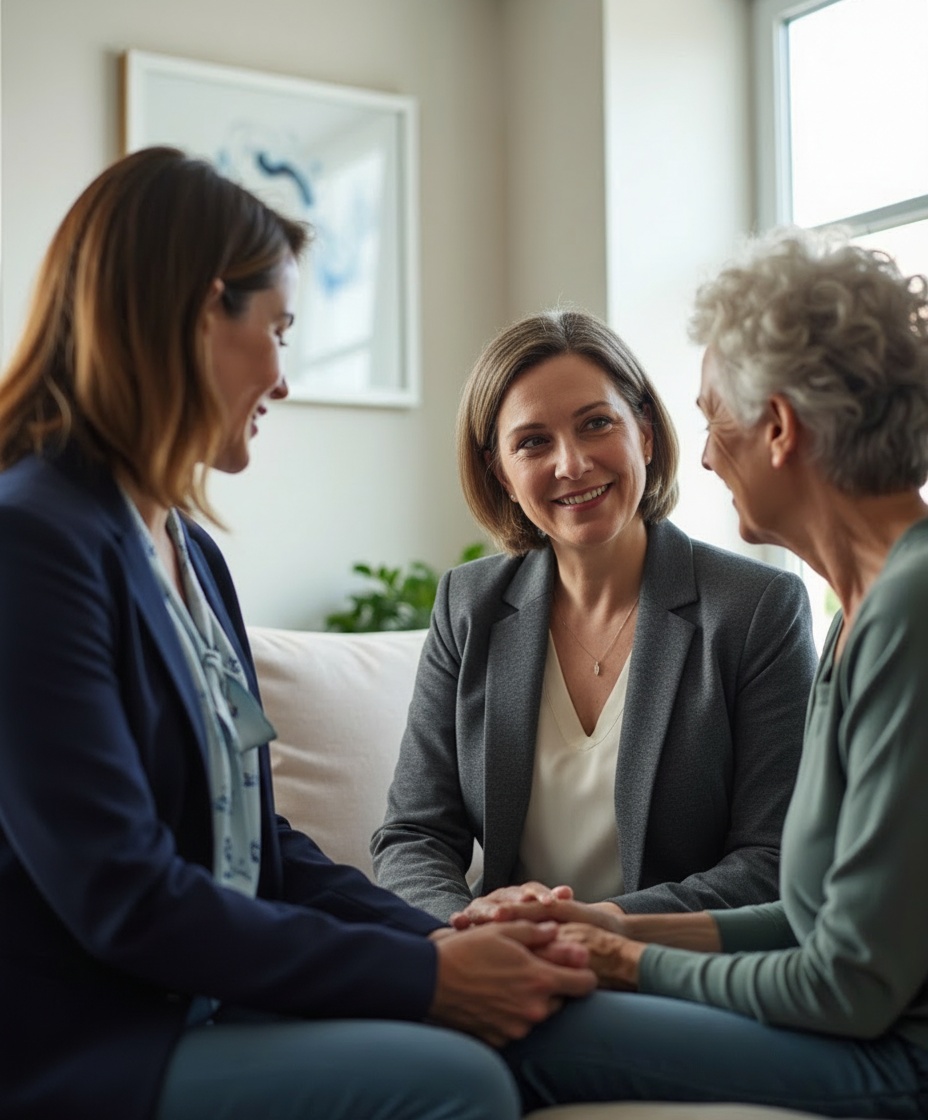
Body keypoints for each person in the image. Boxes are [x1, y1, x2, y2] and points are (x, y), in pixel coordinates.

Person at [0, 146, 598, 1120]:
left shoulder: (189, 551)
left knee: (534, 1037)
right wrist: (426, 980)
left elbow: (258, 846)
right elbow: (122, 893)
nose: (282, 378)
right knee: (458, 1084)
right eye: (277, 330)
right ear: (201, 313)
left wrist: (436, 942)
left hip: (205, 1004)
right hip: (89, 1043)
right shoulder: (30, 540)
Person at [494, 228, 928, 1118]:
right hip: (869, 1031)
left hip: (899, 1059)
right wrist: (614, 923)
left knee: (516, 1026)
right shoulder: (863, 608)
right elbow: (813, 917)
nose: (704, 455)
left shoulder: (910, 612)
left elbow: (847, 984)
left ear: (780, 428)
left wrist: (623, 962)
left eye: (711, 418)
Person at [371, 308, 817, 924]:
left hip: (664, 963)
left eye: (596, 423)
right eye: (533, 442)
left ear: (646, 433)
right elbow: (413, 834)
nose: (572, 464)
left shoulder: (758, 609)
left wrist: (591, 927)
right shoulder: (466, 606)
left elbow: (772, 858)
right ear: (501, 474)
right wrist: (464, 929)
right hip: (500, 957)